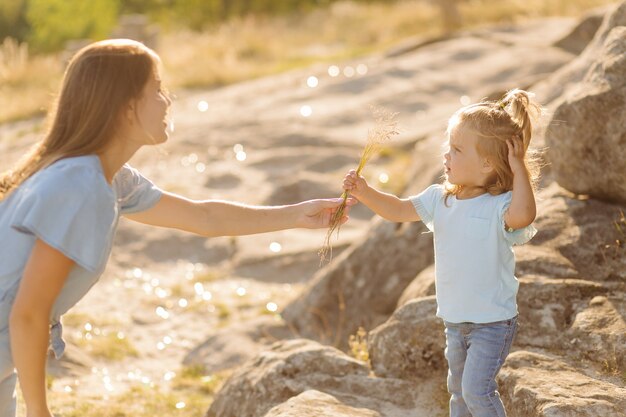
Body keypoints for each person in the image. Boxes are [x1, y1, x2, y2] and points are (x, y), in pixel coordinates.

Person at [0, 39, 355, 417]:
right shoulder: (79, 186)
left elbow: (204, 217)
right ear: (126, 107)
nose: (167, 100)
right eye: (156, 89)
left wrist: (295, 215)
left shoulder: (104, 177)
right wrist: (40, 413)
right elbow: (28, 314)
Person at [343, 89, 541, 417]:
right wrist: (365, 191)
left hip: (492, 322)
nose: (446, 155)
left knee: (477, 391)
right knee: (459, 394)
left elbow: (524, 215)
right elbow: (397, 210)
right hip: (454, 319)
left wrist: (519, 167)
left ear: (488, 164)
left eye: (457, 149)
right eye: (448, 146)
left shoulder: (498, 207)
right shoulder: (441, 200)